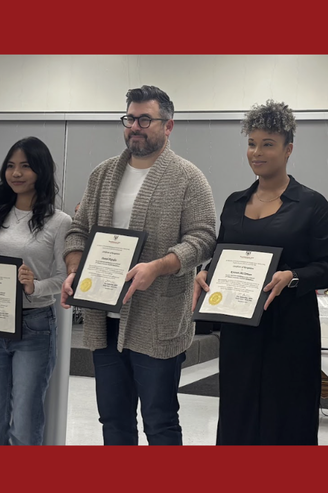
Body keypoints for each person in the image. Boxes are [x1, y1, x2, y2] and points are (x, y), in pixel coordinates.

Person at [60, 85, 217, 445]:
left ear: (168, 126)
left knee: (160, 422)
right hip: (105, 320)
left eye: (145, 119)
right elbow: (78, 230)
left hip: (156, 322)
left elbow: (203, 238)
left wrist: (158, 267)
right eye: (129, 118)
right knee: (113, 420)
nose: (135, 126)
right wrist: (74, 269)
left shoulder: (188, 178)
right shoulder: (103, 174)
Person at [193, 100, 328, 445]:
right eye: (251, 143)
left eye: (268, 144)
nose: (257, 152)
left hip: (289, 333)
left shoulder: (313, 206)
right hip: (239, 333)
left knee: (286, 418)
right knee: (237, 416)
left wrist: (292, 276)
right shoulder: (233, 203)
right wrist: (205, 273)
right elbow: (223, 256)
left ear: (289, 149)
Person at [0, 137, 72, 445]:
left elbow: (64, 279)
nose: (16, 173)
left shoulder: (60, 222)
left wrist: (34, 284)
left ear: (41, 171)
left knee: (24, 425)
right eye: (10, 166)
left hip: (34, 327)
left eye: (25, 166)